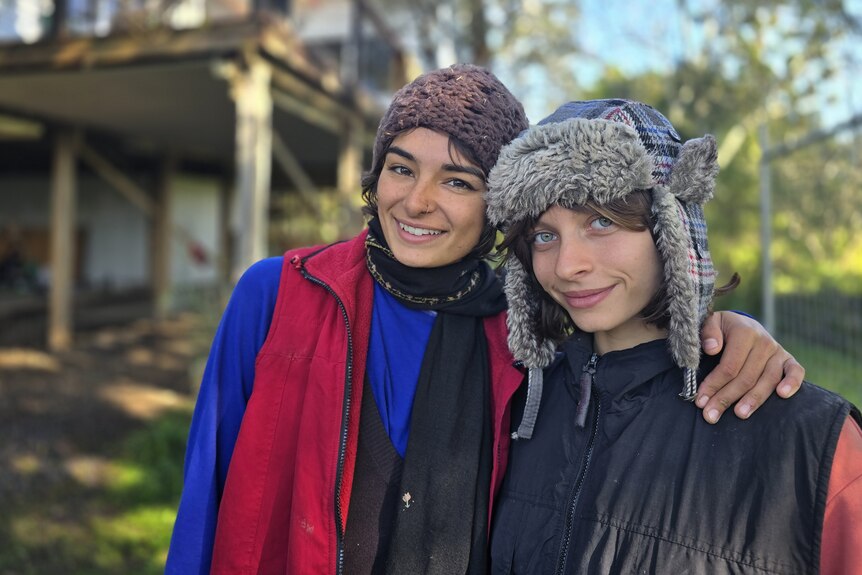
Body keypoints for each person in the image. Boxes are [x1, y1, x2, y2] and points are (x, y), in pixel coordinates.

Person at [165, 69, 803, 575]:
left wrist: (727, 328)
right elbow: (203, 494)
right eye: (401, 167)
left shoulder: (523, 333)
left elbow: (631, 333)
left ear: (498, 210)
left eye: (458, 181)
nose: (417, 201)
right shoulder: (278, 294)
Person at [485, 99, 862, 573]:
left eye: (601, 221)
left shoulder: (812, 443)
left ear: (673, 227)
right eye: (543, 235)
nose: (566, 265)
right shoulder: (515, 408)